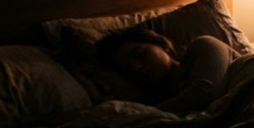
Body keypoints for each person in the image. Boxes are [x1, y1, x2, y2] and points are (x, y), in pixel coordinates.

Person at [96, 29, 236, 114]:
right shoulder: (163, 100)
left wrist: (147, 111)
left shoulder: (203, 46)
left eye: (139, 54)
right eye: (128, 69)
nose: (137, 67)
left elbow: (206, 92)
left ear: (160, 43)